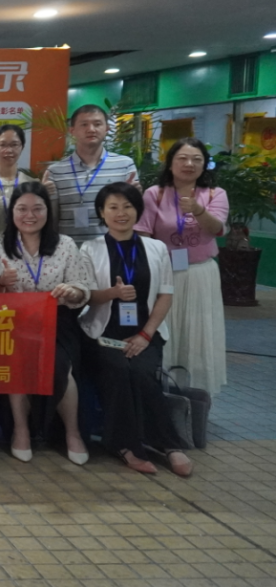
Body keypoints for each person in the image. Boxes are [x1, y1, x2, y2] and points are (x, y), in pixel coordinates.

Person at [81, 183, 193, 477]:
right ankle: (125, 446)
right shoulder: (90, 249)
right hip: (102, 334)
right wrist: (112, 294)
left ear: (138, 211)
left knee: (142, 372)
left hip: (145, 333)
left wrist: (146, 335)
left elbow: (165, 294)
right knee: (119, 371)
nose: (121, 213)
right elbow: (86, 296)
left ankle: (168, 445)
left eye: (127, 206)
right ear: (102, 213)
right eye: (113, 207)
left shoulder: (156, 248)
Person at [0, 182, 96, 465]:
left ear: (48, 212)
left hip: (57, 321)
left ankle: (72, 433)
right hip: (15, 322)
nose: (30, 215)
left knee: (60, 366)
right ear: (12, 212)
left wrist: (72, 292)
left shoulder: (65, 245)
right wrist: (1, 282)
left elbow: (83, 289)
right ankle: (21, 430)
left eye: (37, 209)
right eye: (22, 209)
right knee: (17, 362)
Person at [135, 138, 228, 395]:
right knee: (165, 329)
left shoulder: (215, 194)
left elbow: (217, 229)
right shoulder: (155, 194)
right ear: (170, 163)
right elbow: (142, 233)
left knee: (199, 333)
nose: (189, 164)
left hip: (200, 274)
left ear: (204, 165)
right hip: (164, 274)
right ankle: (160, 391)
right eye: (182, 158)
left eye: (197, 159)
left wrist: (198, 210)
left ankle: (196, 396)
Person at [42, 105, 138, 244]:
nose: (91, 129)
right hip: (70, 250)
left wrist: (134, 195)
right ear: (72, 131)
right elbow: (52, 218)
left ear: (107, 129)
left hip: (112, 248)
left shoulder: (125, 165)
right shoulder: (55, 171)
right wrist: (44, 195)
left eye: (97, 124)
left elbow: (134, 212)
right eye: (84, 124)